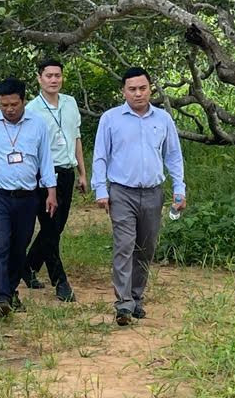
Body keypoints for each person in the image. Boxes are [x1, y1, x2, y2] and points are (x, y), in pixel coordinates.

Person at [92, 67, 187, 327]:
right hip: (121, 192)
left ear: (150, 89)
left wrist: (180, 189)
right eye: (132, 89)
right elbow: (100, 155)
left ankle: (136, 297)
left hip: (153, 192)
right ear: (123, 91)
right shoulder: (111, 119)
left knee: (146, 248)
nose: (138, 94)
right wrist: (101, 190)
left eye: (142, 88)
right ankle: (122, 303)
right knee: (124, 245)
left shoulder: (163, 119)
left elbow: (173, 156)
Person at [0, 78, 57, 318]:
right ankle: (1, 298)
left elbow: (45, 161)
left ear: (23, 101)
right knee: (0, 245)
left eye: (14, 104)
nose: (9, 109)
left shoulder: (38, 125)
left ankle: (10, 290)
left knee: (19, 246)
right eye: (4, 105)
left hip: (27, 196)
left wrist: (51, 191)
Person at [22, 58, 88, 302]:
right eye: (48, 76)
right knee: (50, 228)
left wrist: (82, 172)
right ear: (39, 78)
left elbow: (76, 138)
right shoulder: (32, 110)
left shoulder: (70, 103)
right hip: (44, 176)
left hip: (67, 172)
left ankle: (27, 266)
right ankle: (60, 281)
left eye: (57, 76)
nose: (53, 80)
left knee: (57, 227)